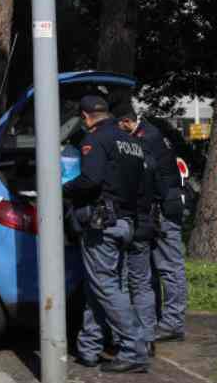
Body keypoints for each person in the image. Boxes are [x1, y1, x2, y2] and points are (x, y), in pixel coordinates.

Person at [62, 95, 150, 374]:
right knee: (99, 287)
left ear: (86, 117)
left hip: (103, 224)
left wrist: (61, 189)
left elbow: (91, 180)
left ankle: (135, 350)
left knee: (106, 288)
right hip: (126, 223)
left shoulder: (97, 139)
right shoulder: (132, 142)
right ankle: (89, 348)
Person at [118, 107, 188, 343]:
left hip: (164, 210)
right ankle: (162, 318)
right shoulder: (148, 131)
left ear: (126, 121)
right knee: (156, 268)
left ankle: (173, 323)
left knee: (170, 267)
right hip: (160, 208)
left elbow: (144, 176)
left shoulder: (146, 139)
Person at [112, 101, 157, 361]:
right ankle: (147, 337)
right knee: (142, 284)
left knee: (121, 283)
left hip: (126, 222)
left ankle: (126, 340)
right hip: (145, 223)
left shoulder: (119, 155)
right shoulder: (145, 152)